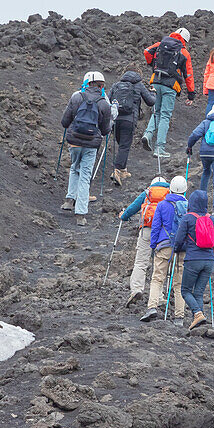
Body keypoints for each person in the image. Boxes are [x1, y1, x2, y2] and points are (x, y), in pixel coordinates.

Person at [60, 71, 112, 226]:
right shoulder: (104, 103)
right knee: (85, 176)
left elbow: (64, 121)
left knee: (74, 167)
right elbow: (104, 130)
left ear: (87, 83)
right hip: (91, 144)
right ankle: (81, 214)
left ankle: (69, 200)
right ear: (101, 86)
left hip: (74, 141)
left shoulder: (76, 97)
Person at [172, 189, 214, 331]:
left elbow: (178, 240)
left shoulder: (187, 218)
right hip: (209, 261)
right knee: (198, 292)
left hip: (193, 259)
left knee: (185, 291)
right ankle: (199, 324)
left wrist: (178, 249)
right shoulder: (212, 219)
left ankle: (197, 313)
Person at [141, 175, 188, 323]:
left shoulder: (162, 205)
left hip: (164, 245)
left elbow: (155, 227)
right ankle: (179, 317)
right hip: (182, 248)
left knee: (157, 278)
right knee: (179, 283)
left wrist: (153, 245)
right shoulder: (189, 206)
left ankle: (152, 307)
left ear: (171, 189)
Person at [142, 28, 195, 159]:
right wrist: (191, 94)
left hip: (155, 82)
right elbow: (188, 75)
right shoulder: (184, 52)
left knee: (156, 112)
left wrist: (152, 64)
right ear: (185, 41)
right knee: (165, 116)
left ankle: (148, 135)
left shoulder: (161, 44)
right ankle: (159, 148)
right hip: (171, 86)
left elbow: (147, 51)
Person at [119, 177, 170, 306]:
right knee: (160, 264)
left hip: (146, 230)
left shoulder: (147, 193)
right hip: (163, 233)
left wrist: (123, 216)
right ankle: (158, 296)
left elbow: (132, 208)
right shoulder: (170, 193)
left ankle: (136, 289)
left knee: (141, 261)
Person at [108, 67, 156, 185]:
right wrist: (153, 92)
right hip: (129, 120)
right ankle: (117, 171)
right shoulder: (139, 85)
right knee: (125, 145)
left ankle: (123, 170)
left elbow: (108, 100)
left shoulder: (116, 85)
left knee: (122, 144)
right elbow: (150, 101)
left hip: (115, 119)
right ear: (138, 74)